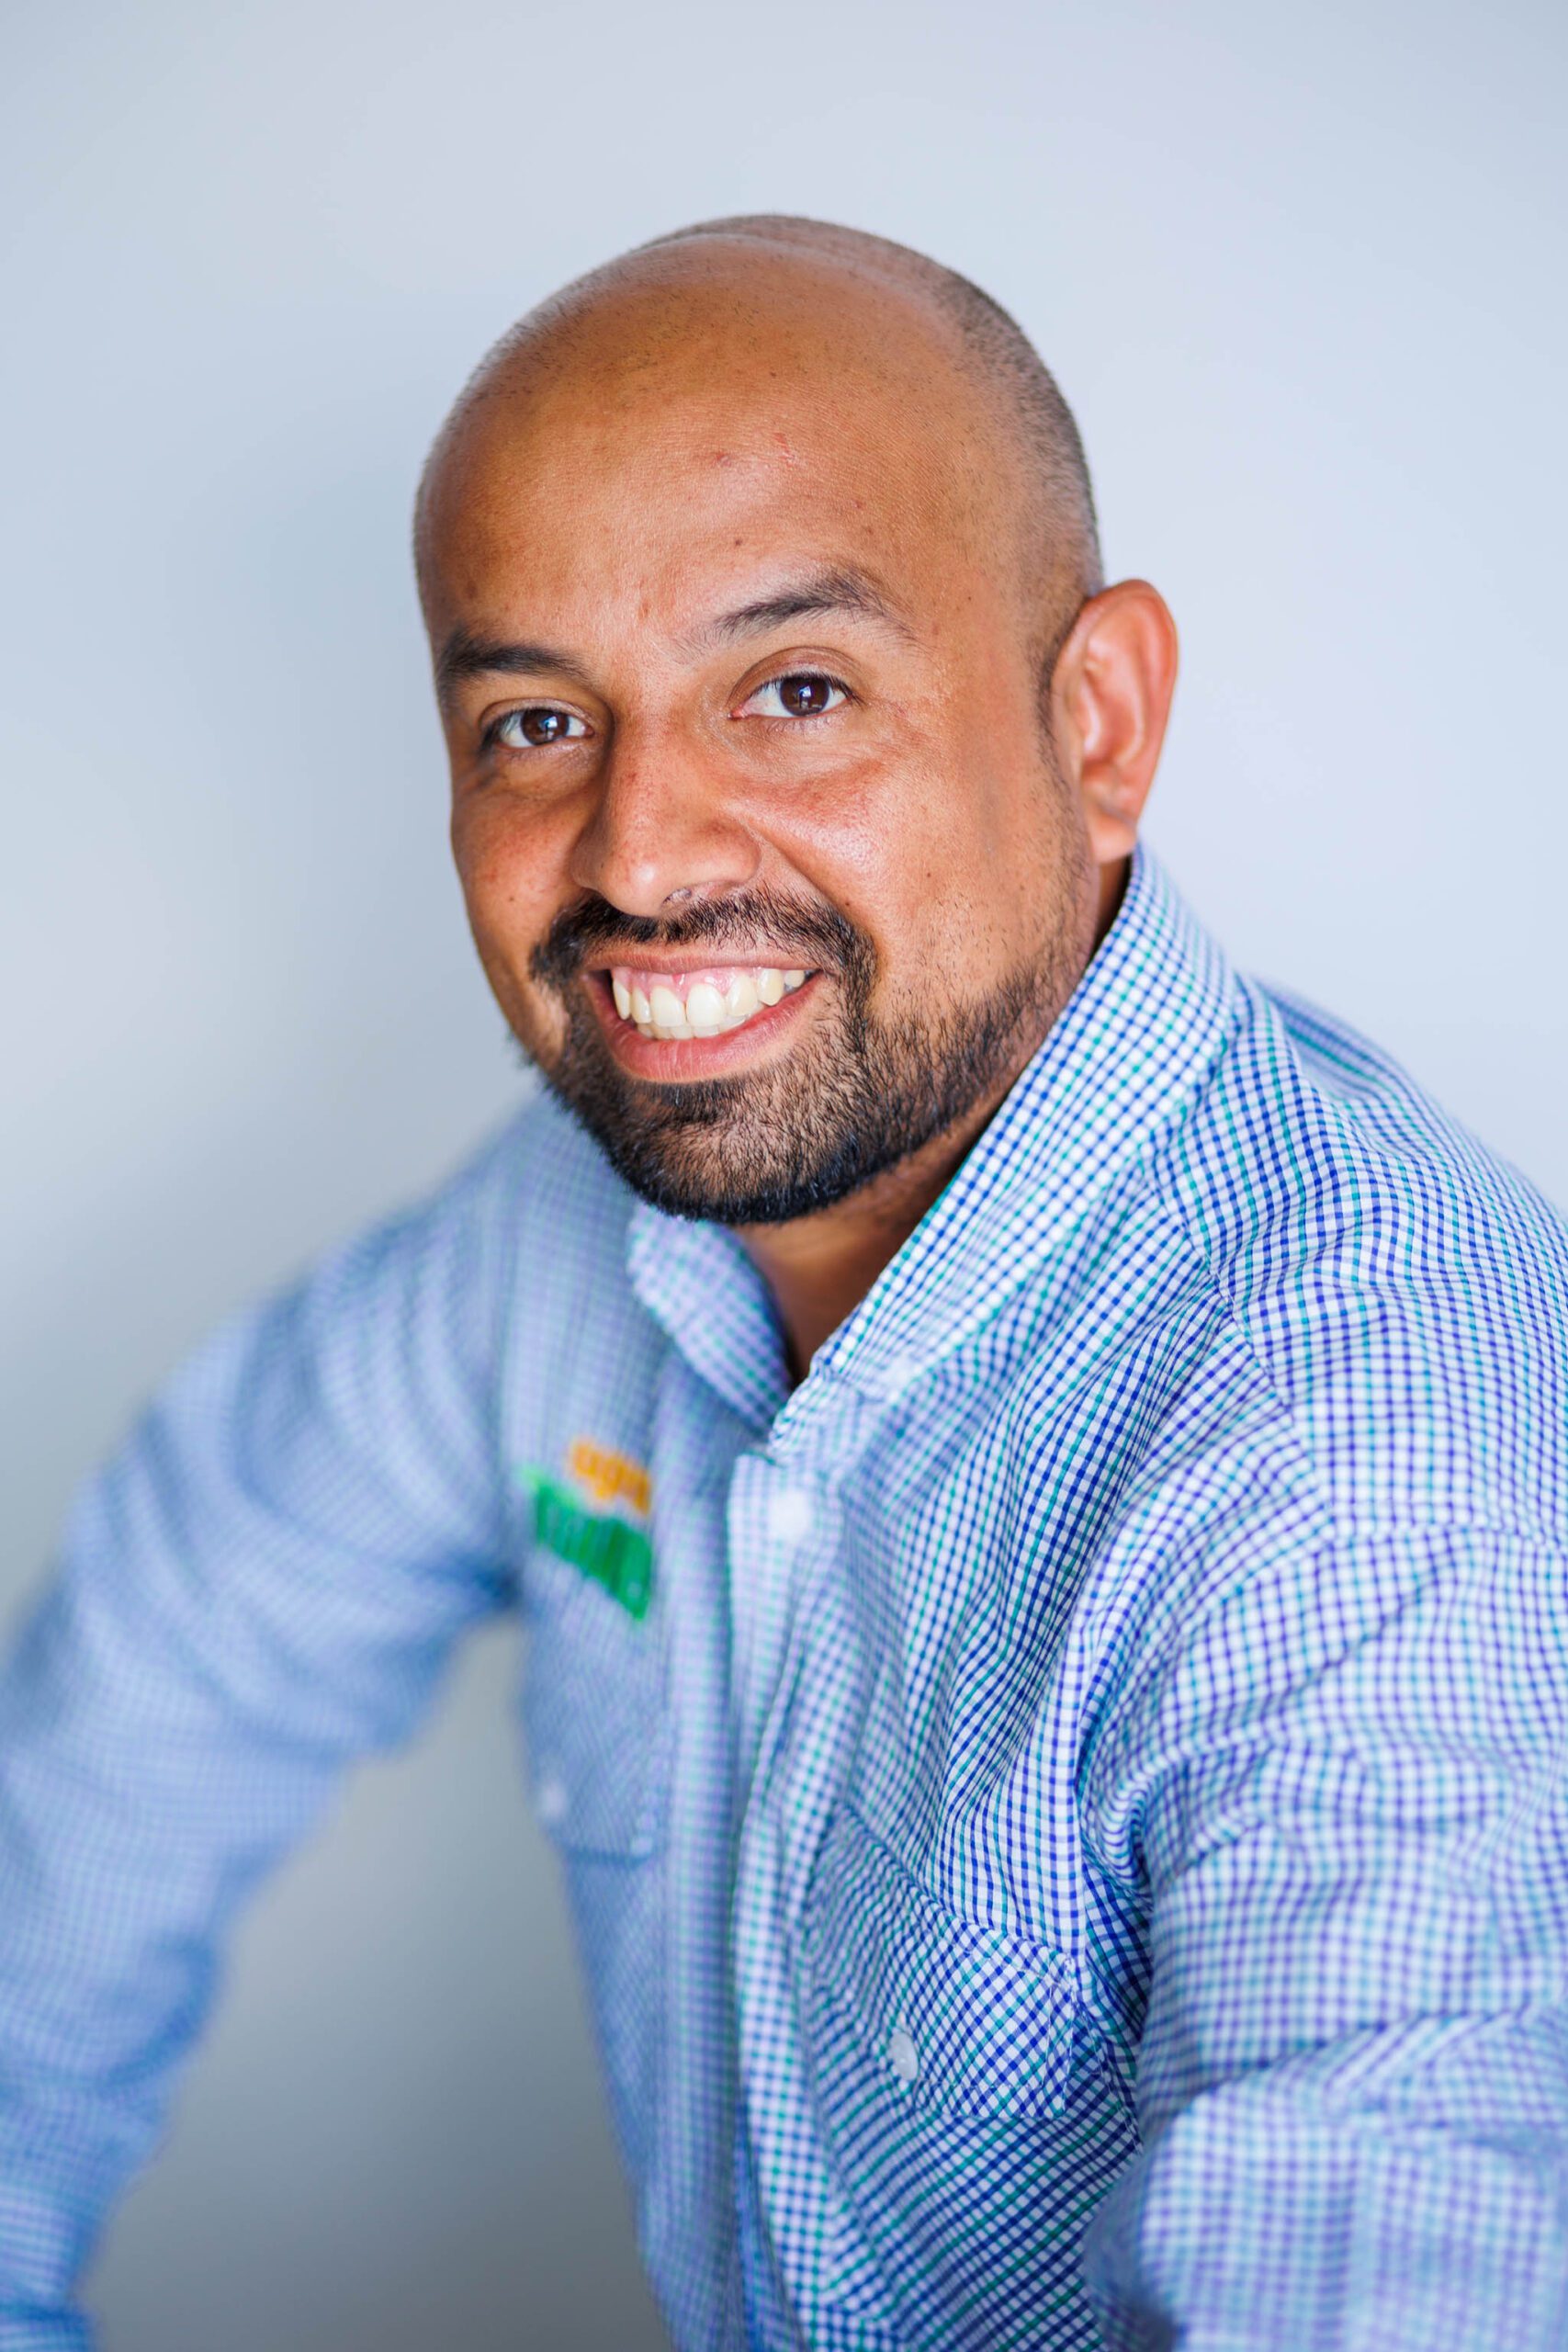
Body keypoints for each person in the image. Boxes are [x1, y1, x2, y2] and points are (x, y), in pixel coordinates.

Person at [2, 214, 1565, 2352]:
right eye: (537, 719)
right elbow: (172, 1649)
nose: (638, 852)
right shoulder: (566, 1234)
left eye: (796, 689)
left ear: (1094, 722)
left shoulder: (1362, 1457)